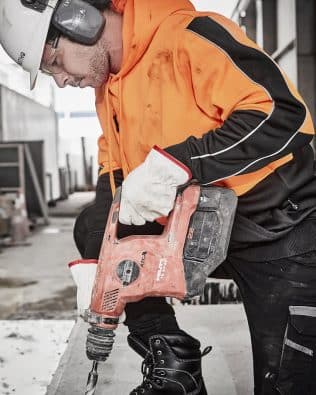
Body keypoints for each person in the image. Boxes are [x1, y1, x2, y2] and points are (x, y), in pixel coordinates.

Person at [1, 1, 316, 394]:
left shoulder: (190, 35)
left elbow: (282, 115)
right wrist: (96, 266)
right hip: (203, 231)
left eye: (54, 63)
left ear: (79, 19)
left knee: (287, 383)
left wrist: (181, 163)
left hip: (276, 230)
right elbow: (111, 176)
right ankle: (175, 364)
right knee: (94, 229)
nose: (61, 80)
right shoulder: (110, 88)